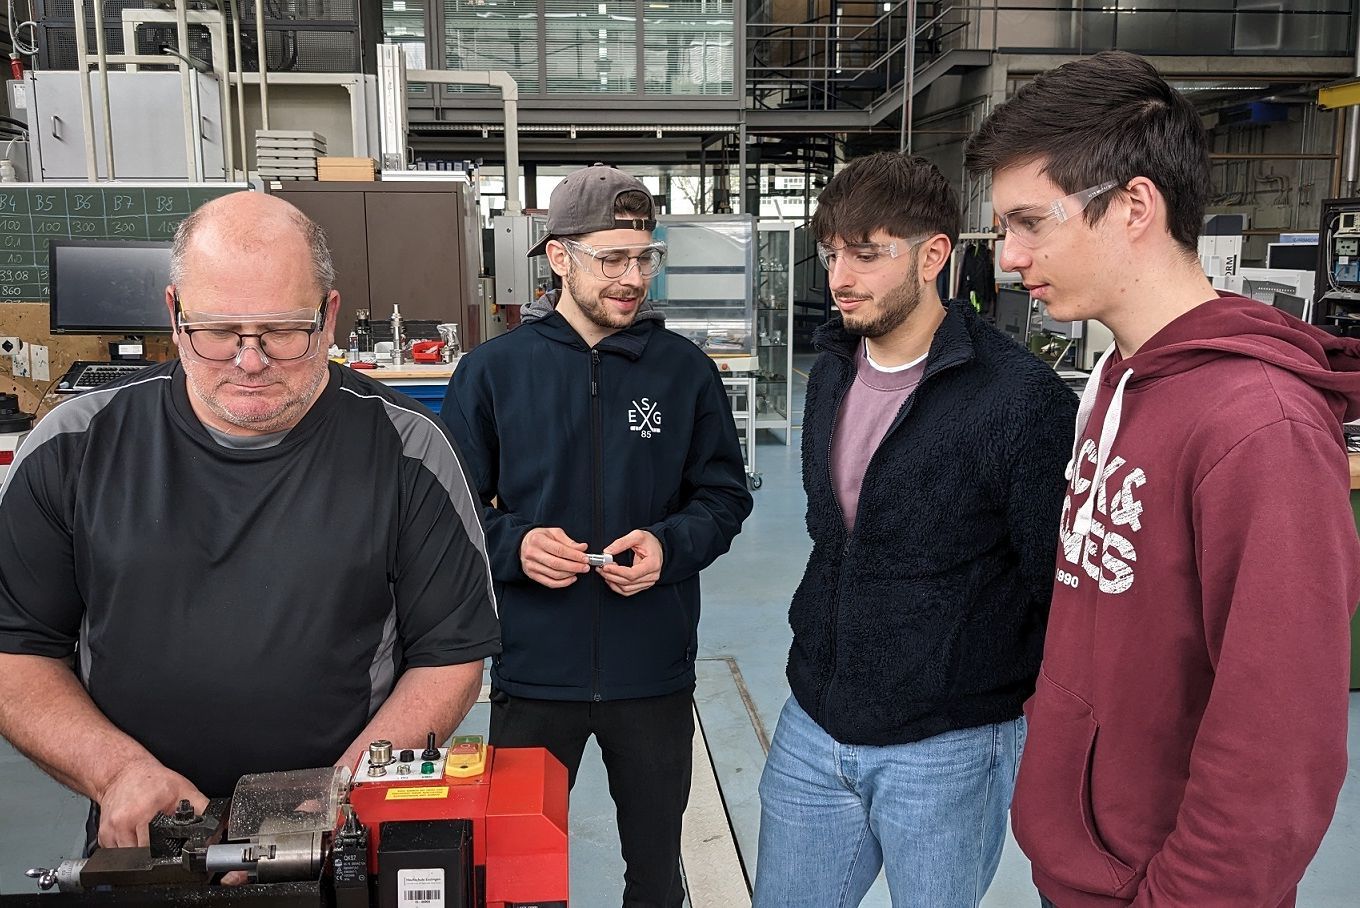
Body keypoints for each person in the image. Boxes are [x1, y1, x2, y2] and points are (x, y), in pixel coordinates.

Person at [965, 50, 1360, 908]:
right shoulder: (1120, 377)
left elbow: (1279, 743)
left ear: (1135, 205)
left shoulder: (1261, 427)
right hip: (1083, 856)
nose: (1008, 257)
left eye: (1031, 222)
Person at [0, 192, 500, 851]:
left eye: (283, 330)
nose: (251, 360)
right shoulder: (73, 446)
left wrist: (333, 798)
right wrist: (118, 772)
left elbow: (449, 656)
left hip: (340, 832)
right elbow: (16, 651)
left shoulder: (410, 450)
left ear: (327, 316)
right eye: (218, 331)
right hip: (144, 835)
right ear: (175, 314)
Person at [753, 152, 1077, 908]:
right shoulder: (832, 370)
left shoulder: (1019, 401)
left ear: (934, 254)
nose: (840, 278)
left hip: (948, 745)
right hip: (815, 721)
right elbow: (834, 537)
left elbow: (1052, 586)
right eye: (832, 254)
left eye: (868, 255)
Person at [440, 163, 752, 907]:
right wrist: (513, 545)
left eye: (645, 256)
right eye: (612, 258)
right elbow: (446, 514)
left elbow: (723, 497)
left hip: (653, 676)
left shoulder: (685, 373)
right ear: (559, 257)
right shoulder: (492, 374)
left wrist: (669, 547)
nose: (633, 276)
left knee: (653, 876)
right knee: (518, 876)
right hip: (532, 674)